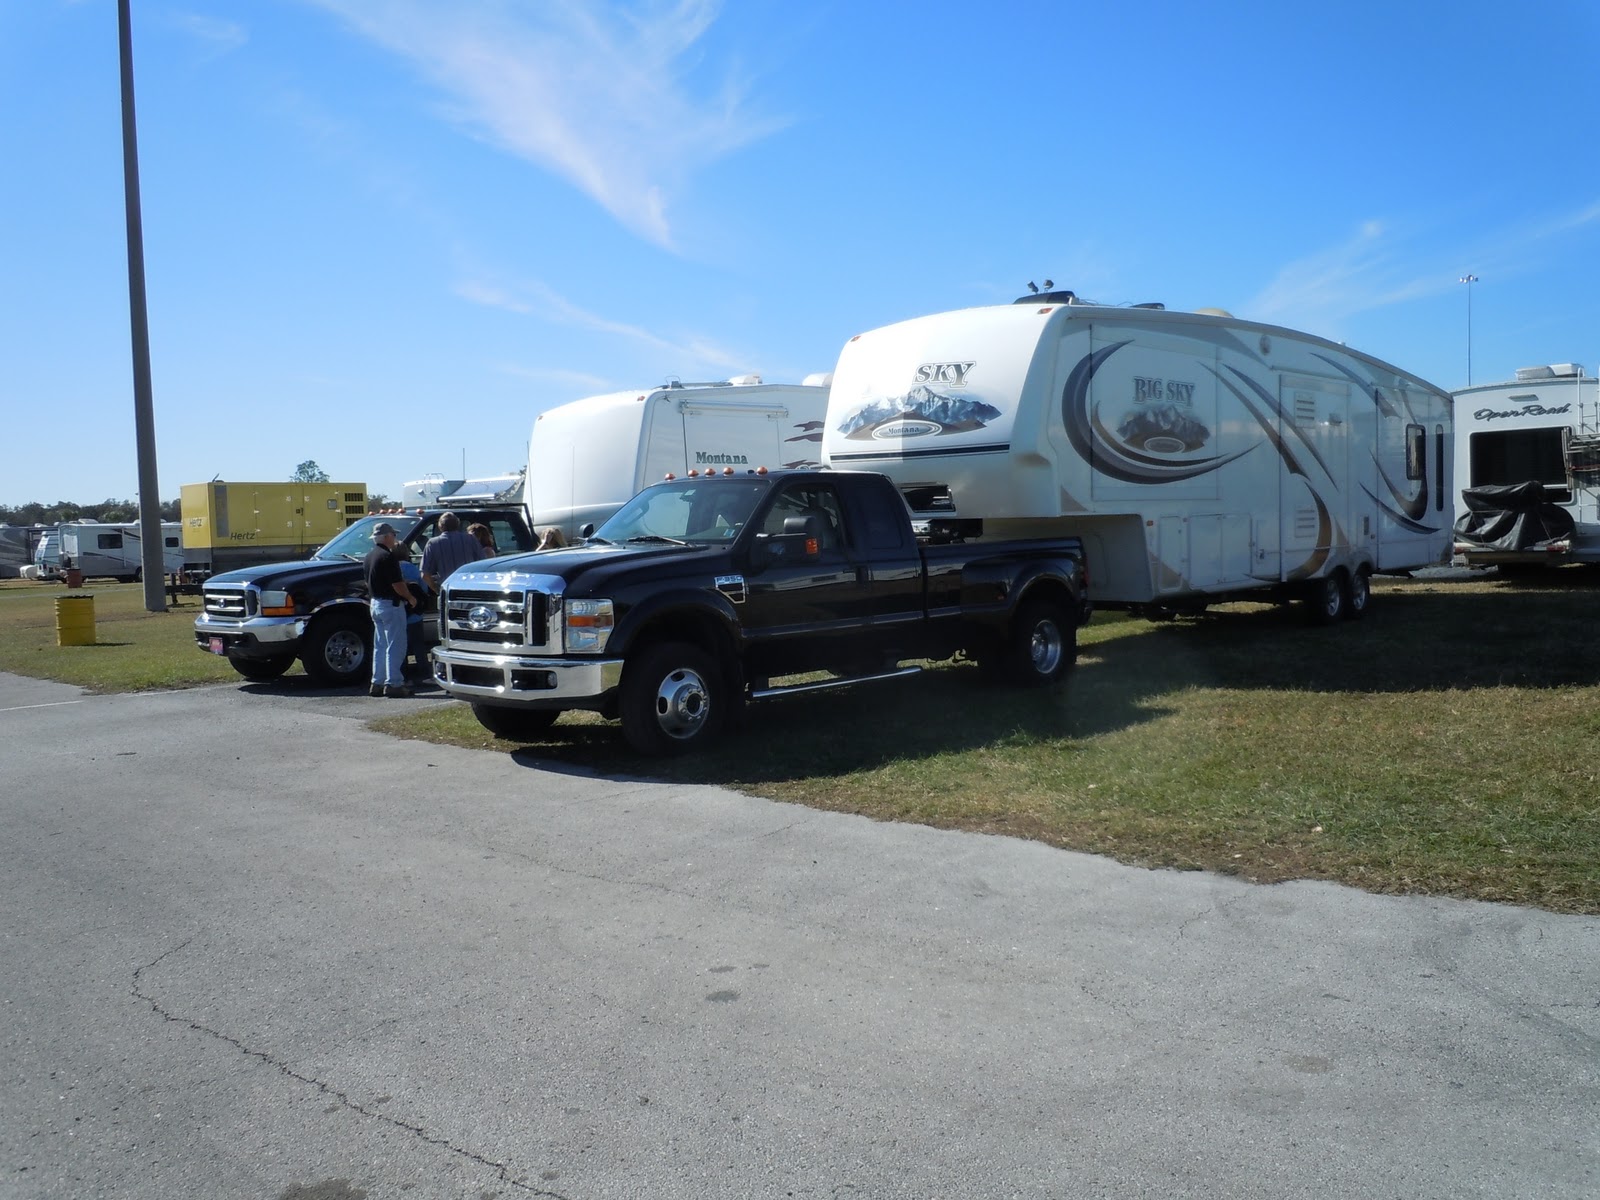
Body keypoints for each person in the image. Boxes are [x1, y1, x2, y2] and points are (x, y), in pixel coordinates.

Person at [363, 522, 416, 698]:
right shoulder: (388, 556)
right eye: (393, 535)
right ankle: (394, 683)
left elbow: (368, 582)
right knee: (396, 645)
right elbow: (397, 584)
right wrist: (410, 597)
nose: (395, 538)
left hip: (375, 603)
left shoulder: (369, 556)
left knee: (380, 645)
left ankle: (377, 682)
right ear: (386, 537)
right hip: (391, 605)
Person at [421, 510, 487, 592]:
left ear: (440, 526)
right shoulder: (470, 539)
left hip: (448, 589)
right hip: (470, 588)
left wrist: (437, 590)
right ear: (458, 524)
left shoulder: (433, 543)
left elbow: (425, 575)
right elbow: (483, 564)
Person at [397, 555, 431, 681]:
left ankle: (404, 675)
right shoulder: (412, 568)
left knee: (401, 646)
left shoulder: (393, 568)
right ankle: (424, 674)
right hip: (415, 613)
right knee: (418, 645)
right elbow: (424, 587)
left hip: (400, 612)